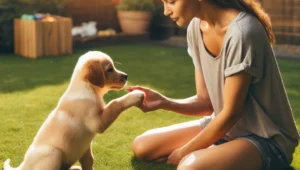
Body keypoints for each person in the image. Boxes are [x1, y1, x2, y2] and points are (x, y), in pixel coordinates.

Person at [127, 0, 300, 170]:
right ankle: (219, 152)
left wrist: (183, 152)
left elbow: (231, 114)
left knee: (189, 167)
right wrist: (165, 102)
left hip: (267, 139)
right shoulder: (196, 28)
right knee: (142, 146)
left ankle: (219, 154)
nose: (166, 11)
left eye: (172, 1)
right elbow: (205, 102)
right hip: (226, 130)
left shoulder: (242, 32)